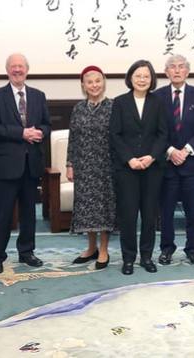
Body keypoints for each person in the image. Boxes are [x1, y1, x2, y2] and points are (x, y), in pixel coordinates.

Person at [0, 54, 51, 273]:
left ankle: (26, 252)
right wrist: (22, 133)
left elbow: (47, 125)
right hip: (7, 165)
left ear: (27, 69)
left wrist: (39, 132)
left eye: (20, 66)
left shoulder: (38, 96)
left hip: (31, 164)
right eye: (13, 67)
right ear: (7, 70)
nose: (17, 70)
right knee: (2, 213)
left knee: (29, 213)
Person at [110, 60, 168, 275]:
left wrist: (152, 157)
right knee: (128, 215)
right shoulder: (120, 102)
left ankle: (146, 256)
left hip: (152, 168)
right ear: (130, 79)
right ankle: (128, 258)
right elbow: (114, 135)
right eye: (138, 76)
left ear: (151, 79)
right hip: (127, 169)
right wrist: (130, 159)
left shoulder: (159, 102)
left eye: (146, 76)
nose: (142, 79)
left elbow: (164, 134)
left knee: (150, 214)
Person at [155, 54, 194, 266]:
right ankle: (166, 249)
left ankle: (192, 248)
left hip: (191, 163)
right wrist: (171, 151)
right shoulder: (157, 96)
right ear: (166, 72)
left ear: (187, 71)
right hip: (167, 164)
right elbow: (155, 130)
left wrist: (186, 150)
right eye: (172, 67)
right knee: (166, 210)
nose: (177, 71)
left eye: (181, 67)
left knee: (192, 210)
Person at [66, 65, 115, 271]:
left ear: (103, 82)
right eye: (90, 82)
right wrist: (70, 164)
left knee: (103, 208)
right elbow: (73, 138)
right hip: (84, 165)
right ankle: (91, 247)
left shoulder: (113, 106)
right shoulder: (78, 108)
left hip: (106, 166)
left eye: (98, 81)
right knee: (86, 208)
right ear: (83, 86)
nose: (94, 85)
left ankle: (103, 250)